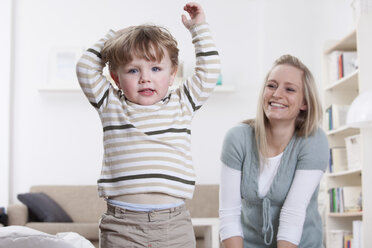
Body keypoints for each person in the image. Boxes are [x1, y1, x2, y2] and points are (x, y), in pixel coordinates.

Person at [76, 2, 220, 247]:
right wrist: (115, 35)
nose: (145, 78)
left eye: (155, 68)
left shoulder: (181, 103)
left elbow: (209, 71)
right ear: (116, 78)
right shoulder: (111, 105)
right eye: (133, 70)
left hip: (174, 225)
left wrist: (199, 30)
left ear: (172, 73)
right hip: (122, 225)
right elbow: (85, 68)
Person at [219, 55, 329, 248]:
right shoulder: (237, 139)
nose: (277, 94)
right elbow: (229, 215)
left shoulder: (313, 140)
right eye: (271, 86)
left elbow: (292, 214)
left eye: (290, 89)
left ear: (304, 103)